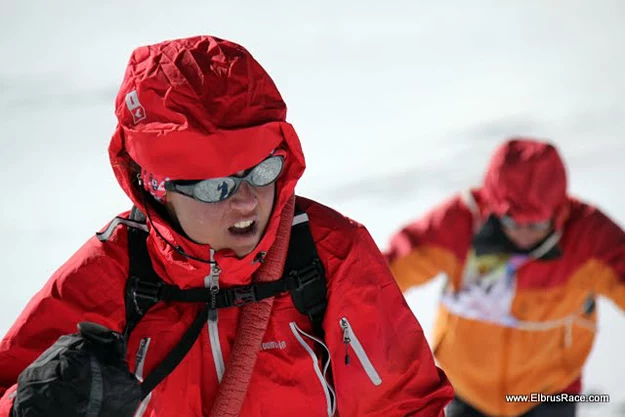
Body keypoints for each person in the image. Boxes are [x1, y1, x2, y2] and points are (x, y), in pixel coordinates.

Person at [0, 35, 454, 417]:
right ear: (158, 187)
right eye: (218, 185)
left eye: (262, 171)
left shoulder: (328, 255)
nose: (248, 201)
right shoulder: (111, 276)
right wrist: (31, 403)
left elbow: (406, 406)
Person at [384, 138, 625, 417]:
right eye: (511, 221)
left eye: (537, 224)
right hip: (465, 389)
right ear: (493, 205)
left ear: (559, 211)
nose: (523, 235)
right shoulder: (459, 221)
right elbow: (385, 273)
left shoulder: (589, 237)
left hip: (548, 393)